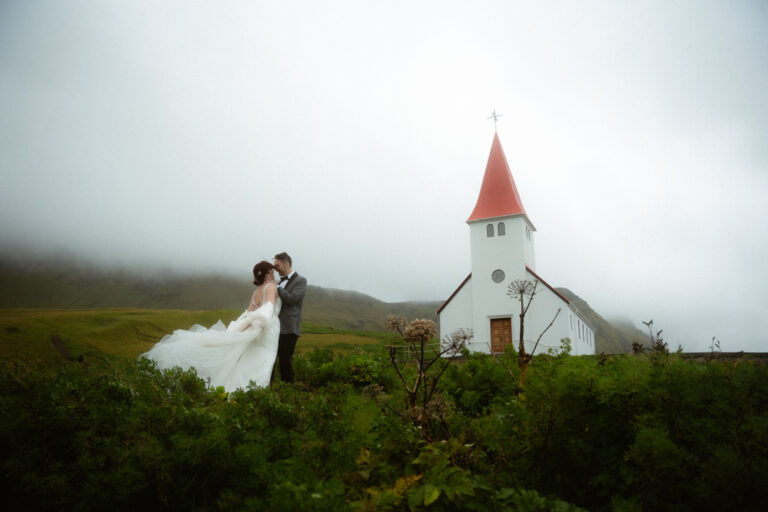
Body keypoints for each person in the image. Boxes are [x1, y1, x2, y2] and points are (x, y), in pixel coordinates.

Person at [139, 261, 281, 392]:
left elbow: (248, 312)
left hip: (254, 324)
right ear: (267, 273)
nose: (274, 273)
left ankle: (243, 387)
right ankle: (256, 389)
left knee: (251, 357)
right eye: (271, 271)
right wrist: (262, 322)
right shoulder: (271, 286)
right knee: (265, 356)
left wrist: (243, 326)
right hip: (267, 326)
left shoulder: (256, 292)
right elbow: (268, 306)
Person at [273, 251, 307, 383]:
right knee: (271, 358)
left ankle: (288, 390)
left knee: (285, 361)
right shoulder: (279, 282)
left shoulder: (301, 281)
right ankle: (269, 388)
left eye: (277, 266)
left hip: (290, 327)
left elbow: (292, 299)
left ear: (286, 263)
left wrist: (278, 287)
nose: (275, 269)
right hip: (276, 327)